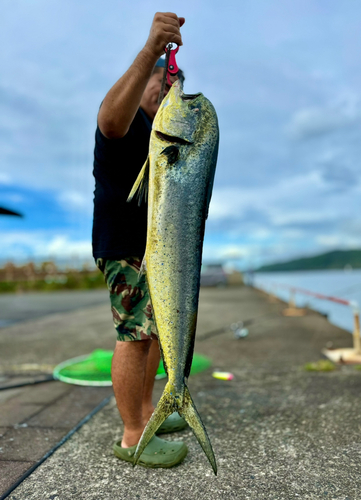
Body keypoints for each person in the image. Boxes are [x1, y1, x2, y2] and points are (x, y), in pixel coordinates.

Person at [92, 12, 189, 468]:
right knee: (134, 335)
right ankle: (133, 437)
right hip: (124, 243)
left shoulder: (160, 133)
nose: (166, 91)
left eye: (172, 87)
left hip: (154, 248)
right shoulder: (126, 119)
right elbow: (109, 120)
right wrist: (152, 51)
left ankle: (147, 413)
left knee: (151, 335)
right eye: (161, 83)